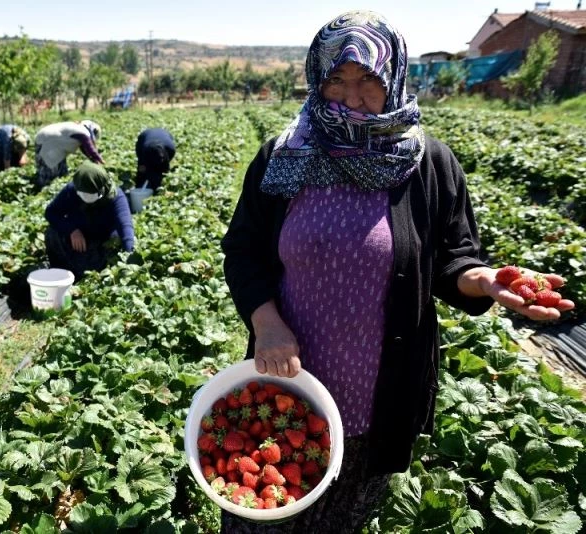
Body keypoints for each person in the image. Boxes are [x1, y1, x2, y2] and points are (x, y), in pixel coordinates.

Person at [220, 10, 574, 533]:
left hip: (376, 398)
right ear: (317, 81)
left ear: (395, 78)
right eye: (336, 79)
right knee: (259, 519)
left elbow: (456, 257)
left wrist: (486, 282)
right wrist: (266, 323)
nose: (351, 95)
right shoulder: (283, 157)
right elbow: (243, 251)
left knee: (339, 521)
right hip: (285, 391)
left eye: (368, 79)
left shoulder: (428, 163)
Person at [44, 161, 134, 280]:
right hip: (79, 239)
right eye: (83, 194)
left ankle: (92, 275)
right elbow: (51, 213)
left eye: (91, 194)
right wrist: (72, 230)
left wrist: (130, 258)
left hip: (103, 240)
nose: (86, 198)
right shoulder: (72, 190)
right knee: (52, 233)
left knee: (115, 244)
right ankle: (60, 273)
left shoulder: (116, 197)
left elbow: (125, 226)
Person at [34, 120, 104, 187]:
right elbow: (90, 149)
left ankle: (56, 185)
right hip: (48, 142)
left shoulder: (77, 128)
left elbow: (84, 149)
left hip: (49, 141)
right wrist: (101, 160)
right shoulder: (83, 132)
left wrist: (93, 159)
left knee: (60, 170)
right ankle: (42, 189)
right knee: (48, 172)